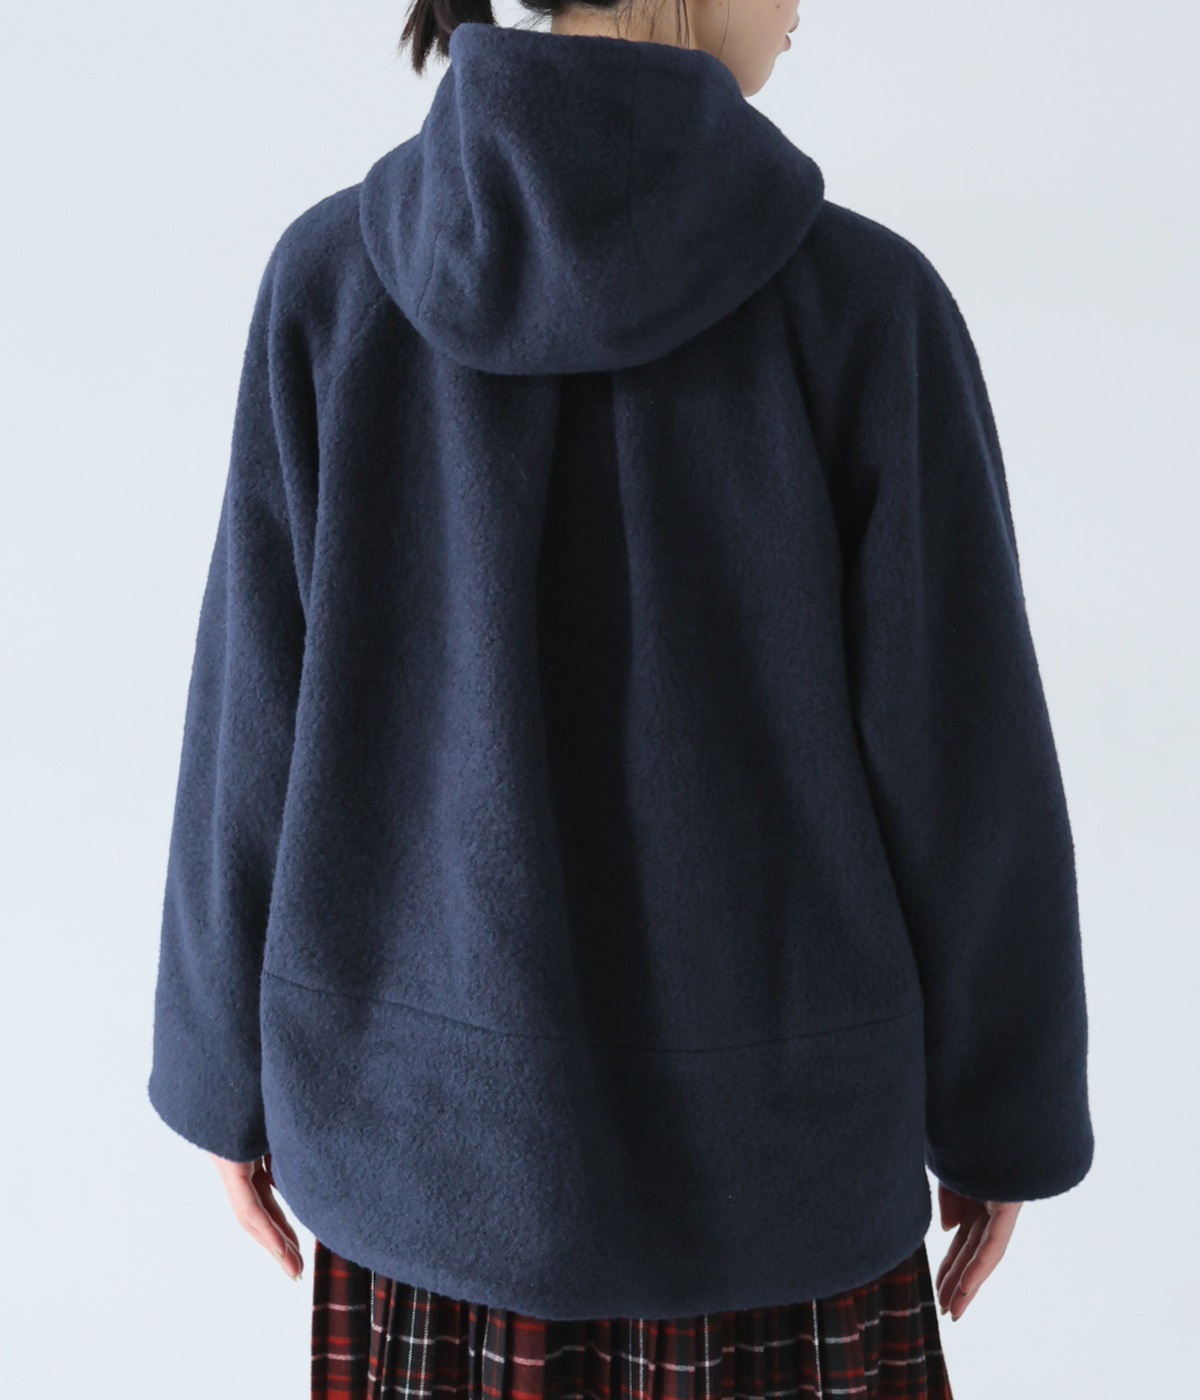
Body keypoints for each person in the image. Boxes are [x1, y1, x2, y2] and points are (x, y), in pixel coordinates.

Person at [147, 0, 1095, 1395]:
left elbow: (252, 717)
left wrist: (221, 1076)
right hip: (782, 1199)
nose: (803, 14)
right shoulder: (866, 306)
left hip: (427, 1181)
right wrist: (1005, 1113)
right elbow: (962, 762)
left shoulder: (330, 284)